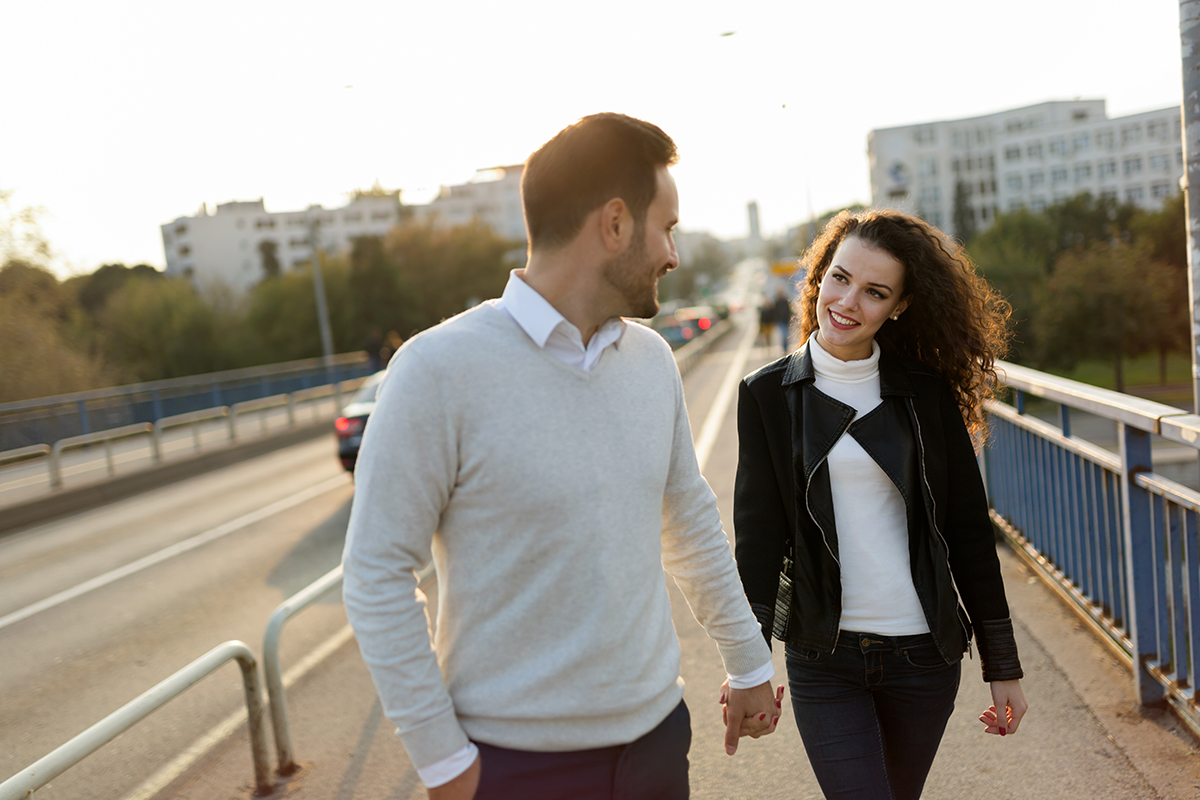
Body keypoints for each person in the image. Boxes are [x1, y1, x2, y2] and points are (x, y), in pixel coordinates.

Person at [342, 112, 782, 800]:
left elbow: (688, 521)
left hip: (657, 744)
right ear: (614, 224)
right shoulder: (435, 369)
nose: (674, 253)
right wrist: (442, 759)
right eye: (666, 228)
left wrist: (749, 662)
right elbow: (375, 573)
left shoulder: (652, 362)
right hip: (513, 766)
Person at [733, 208, 1028, 800]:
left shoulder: (924, 393)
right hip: (825, 658)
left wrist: (1004, 667)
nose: (847, 301)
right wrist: (749, 666)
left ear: (898, 307)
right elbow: (759, 540)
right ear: (818, 277)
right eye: (839, 278)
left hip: (923, 658)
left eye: (875, 292)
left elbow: (970, 532)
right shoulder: (766, 394)